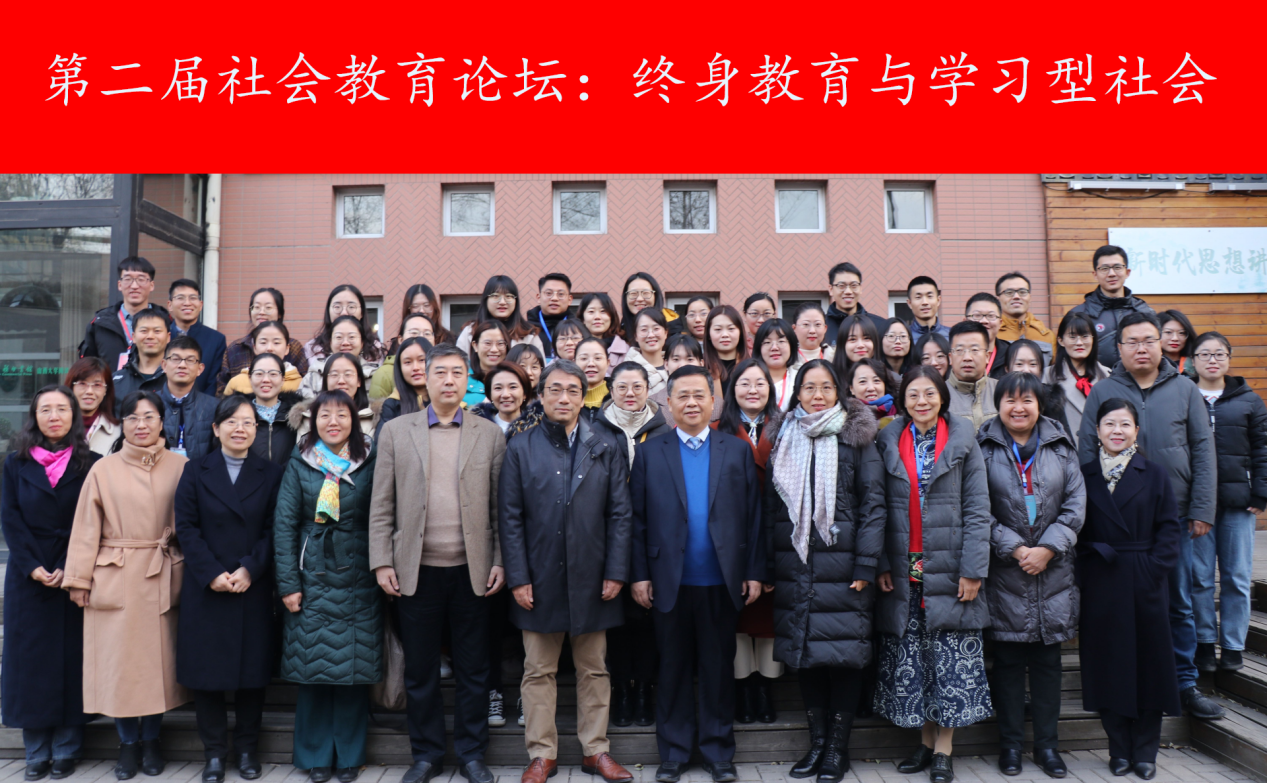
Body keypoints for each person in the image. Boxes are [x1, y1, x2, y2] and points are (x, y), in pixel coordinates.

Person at [368, 344, 507, 783]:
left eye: (457, 373)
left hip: (473, 570)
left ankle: (471, 754)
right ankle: (426, 754)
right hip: (415, 571)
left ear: (468, 380)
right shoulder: (396, 431)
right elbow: (381, 504)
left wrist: (500, 559)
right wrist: (381, 561)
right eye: (440, 372)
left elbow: (501, 507)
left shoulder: (489, 434)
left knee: (473, 669)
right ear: (424, 379)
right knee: (420, 669)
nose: (449, 380)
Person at [1077, 311, 1221, 721]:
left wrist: (1202, 508)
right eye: (1132, 342)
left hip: (1174, 518)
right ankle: (1122, 685)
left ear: (1161, 344)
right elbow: (1086, 452)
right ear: (1119, 348)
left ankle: (1184, 682)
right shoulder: (1104, 390)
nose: (1141, 348)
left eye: (1148, 340)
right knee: (1118, 607)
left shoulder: (1185, 388)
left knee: (1178, 601)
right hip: (1118, 526)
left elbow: (1203, 449)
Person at [630, 365, 767, 783]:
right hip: (667, 580)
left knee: (717, 669)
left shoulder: (736, 450)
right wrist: (639, 575)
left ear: (713, 402)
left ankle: (718, 752)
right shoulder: (651, 451)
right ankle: (673, 753)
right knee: (672, 669)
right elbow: (636, 520)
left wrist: (754, 571)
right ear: (668, 403)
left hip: (721, 580)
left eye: (699, 395)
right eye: (682, 396)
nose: (691, 403)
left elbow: (754, 516)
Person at [499, 360, 634, 783]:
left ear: (584, 397)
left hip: (593, 575)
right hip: (538, 577)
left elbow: (620, 514)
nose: (563, 398)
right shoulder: (521, 447)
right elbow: (509, 518)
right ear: (540, 395)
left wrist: (616, 571)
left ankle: (596, 751)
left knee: (594, 668)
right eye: (554, 389)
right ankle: (542, 755)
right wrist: (519, 577)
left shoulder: (604, 445)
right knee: (538, 669)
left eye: (573, 390)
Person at [765, 360, 885, 783]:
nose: (818, 395)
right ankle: (816, 744)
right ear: (796, 393)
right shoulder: (783, 437)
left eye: (826, 387)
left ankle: (837, 748)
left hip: (845, 565)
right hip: (795, 563)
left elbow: (874, 505)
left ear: (840, 392)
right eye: (809, 387)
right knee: (808, 657)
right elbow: (771, 508)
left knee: (844, 657)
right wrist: (769, 564)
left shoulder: (857, 438)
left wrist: (867, 562)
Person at [63, 390, 191, 780]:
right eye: (132, 418)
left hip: (161, 573)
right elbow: (86, 527)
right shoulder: (103, 468)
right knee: (119, 666)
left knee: (155, 667)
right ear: (122, 424)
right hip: (114, 575)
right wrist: (78, 578)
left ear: (162, 422)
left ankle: (151, 740)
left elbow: (193, 524)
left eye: (149, 416)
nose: (141, 425)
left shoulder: (182, 466)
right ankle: (127, 744)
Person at [873, 367, 993, 783]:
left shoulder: (963, 440)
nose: (921, 401)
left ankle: (945, 749)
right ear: (902, 400)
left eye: (929, 393)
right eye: (913, 394)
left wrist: (973, 570)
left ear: (942, 397)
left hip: (951, 566)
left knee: (950, 660)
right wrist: (881, 563)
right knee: (915, 658)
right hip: (904, 567)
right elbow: (878, 507)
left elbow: (978, 508)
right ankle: (924, 744)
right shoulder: (888, 439)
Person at [977, 373, 1086, 779]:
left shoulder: (1060, 445)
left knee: (1047, 665)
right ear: (999, 405)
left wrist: (1048, 548)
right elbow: (976, 508)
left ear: (1039, 405)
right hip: (1005, 572)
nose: (1018, 408)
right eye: (1010, 400)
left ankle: (1047, 748)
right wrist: (1016, 548)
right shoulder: (983, 447)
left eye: (1027, 400)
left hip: (1053, 572)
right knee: (1006, 664)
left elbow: (1075, 505)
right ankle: (1009, 747)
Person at [174, 395, 285, 783]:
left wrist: (250, 568)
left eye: (248, 422)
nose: (241, 429)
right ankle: (215, 755)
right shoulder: (194, 471)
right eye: (232, 422)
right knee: (208, 677)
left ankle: (247, 750)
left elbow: (275, 529)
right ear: (216, 428)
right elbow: (186, 527)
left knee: (252, 676)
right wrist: (211, 573)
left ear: (256, 429)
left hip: (251, 586)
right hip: (207, 588)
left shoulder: (271, 473)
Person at [275, 390, 381, 783]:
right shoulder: (301, 461)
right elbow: (284, 525)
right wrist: (289, 583)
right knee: (313, 670)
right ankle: (315, 756)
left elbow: (383, 515)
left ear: (354, 420)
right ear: (313, 420)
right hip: (312, 575)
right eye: (325, 415)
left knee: (353, 671)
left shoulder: (370, 460)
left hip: (360, 576)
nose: (333, 422)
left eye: (341, 415)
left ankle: (350, 755)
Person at [1078, 399, 1182, 781]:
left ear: (1136, 431)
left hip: (1144, 580)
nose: (1117, 431)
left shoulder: (1153, 473)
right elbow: (1075, 528)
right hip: (1102, 580)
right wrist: (1087, 567)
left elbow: (1170, 529)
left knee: (1150, 665)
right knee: (1108, 665)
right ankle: (1118, 750)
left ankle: (1146, 751)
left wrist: (1153, 569)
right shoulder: (1084, 475)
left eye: (1125, 424)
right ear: (1097, 431)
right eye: (1109, 424)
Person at [2, 386, 100, 781]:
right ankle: (36, 751)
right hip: (28, 577)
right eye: (46, 410)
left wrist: (66, 566)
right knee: (30, 665)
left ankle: (67, 749)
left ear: (74, 415)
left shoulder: (92, 463)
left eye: (62, 409)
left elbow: (93, 521)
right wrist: (33, 566)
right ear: (35, 416)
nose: (54, 416)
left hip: (73, 572)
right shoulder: (15, 463)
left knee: (72, 661)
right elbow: (10, 518)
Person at [599, 362, 673, 727]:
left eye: (637, 387)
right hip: (606, 537)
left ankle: (644, 689)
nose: (630, 394)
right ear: (610, 390)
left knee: (646, 617)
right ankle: (620, 690)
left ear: (648, 389)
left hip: (651, 535)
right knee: (616, 620)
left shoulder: (663, 429)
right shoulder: (595, 429)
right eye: (622, 387)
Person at [1190, 332, 1267, 674]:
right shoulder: (1185, 396)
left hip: (1239, 504)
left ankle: (1234, 645)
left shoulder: (1249, 400)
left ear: (1229, 358)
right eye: (1205, 354)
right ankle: (1205, 642)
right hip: (1198, 505)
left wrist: (1261, 492)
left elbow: (1263, 448)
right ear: (1193, 360)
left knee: (1236, 576)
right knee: (1200, 578)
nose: (1212, 360)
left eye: (1219, 354)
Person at [713, 359, 782, 726]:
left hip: (777, 533)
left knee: (769, 616)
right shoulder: (715, 430)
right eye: (744, 383)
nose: (753, 390)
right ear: (732, 389)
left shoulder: (787, 427)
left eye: (760, 383)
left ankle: (765, 689)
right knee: (738, 616)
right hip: (731, 537)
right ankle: (743, 688)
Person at [79, 256, 173, 373]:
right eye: (128, 279)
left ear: (152, 285)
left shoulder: (167, 322)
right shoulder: (99, 323)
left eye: (141, 279)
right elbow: (88, 368)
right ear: (119, 285)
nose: (134, 286)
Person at [1068, 245, 1155, 368]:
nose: (1112, 274)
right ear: (1095, 274)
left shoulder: (1145, 312)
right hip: (1095, 379)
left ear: (1127, 272)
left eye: (1117, 267)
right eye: (1104, 268)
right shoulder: (1079, 315)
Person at [218, 288, 310, 394]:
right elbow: (222, 388)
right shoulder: (235, 348)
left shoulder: (294, 347)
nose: (261, 312)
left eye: (268, 307)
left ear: (280, 313)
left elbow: (305, 385)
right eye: (256, 307)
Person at [1041, 312, 1110, 449]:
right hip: (1066, 452)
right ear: (1061, 340)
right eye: (1072, 337)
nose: (1079, 343)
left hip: (1104, 453)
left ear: (1093, 339)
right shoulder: (1047, 376)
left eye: (1085, 336)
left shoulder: (1108, 375)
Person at [158, 337, 218, 461]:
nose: (182, 365)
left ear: (200, 369)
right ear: (164, 365)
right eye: (175, 359)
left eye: (190, 360)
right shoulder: (149, 404)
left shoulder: (214, 407)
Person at [292, 353, 376, 442]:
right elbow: (302, 449)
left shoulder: (373, 417)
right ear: (326, 380)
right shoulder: (309, 416)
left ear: (359, 381)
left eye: (348, 374)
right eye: (334, 375)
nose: (341, 381)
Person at [456, 276, 545, 355]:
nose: (502, 302)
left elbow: (540, 367)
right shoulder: (470, 332)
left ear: (516, 301)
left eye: (508, 296)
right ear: (486, 299)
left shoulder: (529, 334)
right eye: (495, 296)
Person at [167, 279, 226, 395]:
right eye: (180, 298)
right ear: (170, 305)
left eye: (193, 298)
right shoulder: (161, 336)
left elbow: (214, 383)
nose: (187, 303)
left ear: (200, 305)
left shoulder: (216, 339)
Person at [302, 315, 383, 397]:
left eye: (352, 337)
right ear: (330, 342)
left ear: (362, 342)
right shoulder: (313, 376)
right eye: (339, 337)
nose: (345, 343)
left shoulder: (375, 376)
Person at [304, 284, 387, 363]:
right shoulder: (312, 349)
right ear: (328, 311)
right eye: (337, 307)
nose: (344, 313)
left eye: (351, 307)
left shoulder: (375, 349)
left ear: (362, 312)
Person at [246, 353, 304, 466]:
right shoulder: (237, 414)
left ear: (283, 379)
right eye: (259, 374)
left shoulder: (299, 416)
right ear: (250, 378)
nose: (266, 380)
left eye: (273, 374)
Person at [223, 321, 305, 396]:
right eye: (263, 342)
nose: (269, 348)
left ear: (287, 348)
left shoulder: (300, 384)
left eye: (276, 343)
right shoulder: (236, 382)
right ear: (254, 347)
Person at [652, 334, 716, 427]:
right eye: (676, 359)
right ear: (666, 364)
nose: (682, 365)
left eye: (690, 359)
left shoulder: (719, 405)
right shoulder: (652, 404)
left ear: (701, 363)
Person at [375, 337, 433, 439]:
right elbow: (382, 444)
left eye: (422, 360)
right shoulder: (392, 405)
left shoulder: (446, 401)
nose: (415, 367)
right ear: (399, 368)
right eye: (408, 362)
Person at [946, 321, 998, 432]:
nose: (967, 357)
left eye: (974, 350)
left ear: (987, 356)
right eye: (959, 350)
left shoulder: (1002, 390)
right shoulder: (939, 394)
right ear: (950, 357)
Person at [111, 310, 171, 406]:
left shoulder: (177, 377)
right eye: (144, 331)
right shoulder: (115, 381)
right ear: (134, 337)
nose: (150, 336)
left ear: (168, 337)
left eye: (157, 331)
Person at [371, 313, 437, 399]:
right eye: (414, 333)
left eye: (427, 334)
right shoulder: (384, 374)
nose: (421, 338)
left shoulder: (442, 369)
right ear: (400, 340)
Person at [65, 357, 121, 454]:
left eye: (97, 385)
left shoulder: (118, 432)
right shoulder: (57, 425)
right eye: (82, 384)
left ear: (106, 390)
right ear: (71, 387)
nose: (89, 391)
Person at [994, 272, 1055, 358]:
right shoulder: (992, 333)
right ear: (998, 299)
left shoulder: (1047, 336)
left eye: (1022, 292)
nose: (1016, 296)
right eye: (1009, 292)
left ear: (1030, 298)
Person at [824, 262, 888, 344]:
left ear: (861, 288)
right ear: (831, 289)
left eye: (854, 285)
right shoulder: (820, 327)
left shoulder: (880, 326)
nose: (848, 291)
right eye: (841, 286)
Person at [473, 361, 536, 435]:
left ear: (525, 393)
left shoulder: (537, 429)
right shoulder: (476, 428)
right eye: (498, 388)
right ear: (490, 394)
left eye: (513, 387)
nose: (505, 395)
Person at [619, 272, 681, 343]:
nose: (639, 299)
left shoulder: (674, 334)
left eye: (646, 293)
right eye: (633, 293)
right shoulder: (621, 331)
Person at [703, 305, 749, 397]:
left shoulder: (751, 367)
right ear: (708, 334)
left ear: (740, 332)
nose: (725, 335)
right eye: (718, 329)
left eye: (731, 329)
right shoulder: (701, 368)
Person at [964, 293, 1013, 380]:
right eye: (977, 315)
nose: (984, 321)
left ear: (1000, 323)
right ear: (965, 321)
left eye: (991, 316)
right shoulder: (954, 353)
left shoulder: (1011, 355)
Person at [465, 321, 512, 408]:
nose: (494, 349)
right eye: (487, 343)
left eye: (500, 344)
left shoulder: (516, 378)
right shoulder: (462, 377)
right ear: (475, 346)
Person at [525, 273, 573, 359]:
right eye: (548, 293)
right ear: (538, 298)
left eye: (561, 294)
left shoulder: (578, 329)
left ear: (570, 300)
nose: (554, 298)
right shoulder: (526, 329)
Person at [754, 319, 798, 411]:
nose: (774, 348)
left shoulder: (800, 378)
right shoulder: (749, 378)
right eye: (767, 342)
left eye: (781, 341)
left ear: (791, 345)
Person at [578, 293, 629, 368]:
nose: (597, 317)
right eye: (591, 311)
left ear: (612, 317)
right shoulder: (573, 346)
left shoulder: (625, 350)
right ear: (582, 318)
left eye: (603, 311)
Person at [846, 358, 897, 427]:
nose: (871, 388)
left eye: (876, 380)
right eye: (862, 381)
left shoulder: (902, 415)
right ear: (852, 389)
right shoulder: (843, 419)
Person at [831, 313, 881, 379]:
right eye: (853, 339)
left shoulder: (888, 378)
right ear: (842, 344)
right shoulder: (831, 378)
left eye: (866, 338)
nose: (860, 345)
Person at [575, 337, 613, 417]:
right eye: (584, 358)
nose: (591, 364)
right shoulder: (567, 399)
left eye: (598, 358)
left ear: (608, 363)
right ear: (574, 363)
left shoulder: (618, 397)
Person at [905, 277, 950, 343]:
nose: (925, 302)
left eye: (929, 296)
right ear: (909, 303)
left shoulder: (952, 335)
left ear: (938, 300)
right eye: (918, 297)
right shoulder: (904, 337)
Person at [1158, 310, 1199, 380]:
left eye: (1181, 333)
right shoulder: (1150, 365)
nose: (1175, 338)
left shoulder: (1197, 364)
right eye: (1168, 332)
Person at [792, 303, 831, 369]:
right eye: (806, 324)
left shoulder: (835, 358)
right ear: (794, 328)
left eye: (817, 324)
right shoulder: (787, 360)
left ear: (825, 328)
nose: (812, 331)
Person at [881, 319, 915, 388]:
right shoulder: (874, 373)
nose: (898, 341)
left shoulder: (916, 373)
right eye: (891, 336)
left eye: (903, 336)